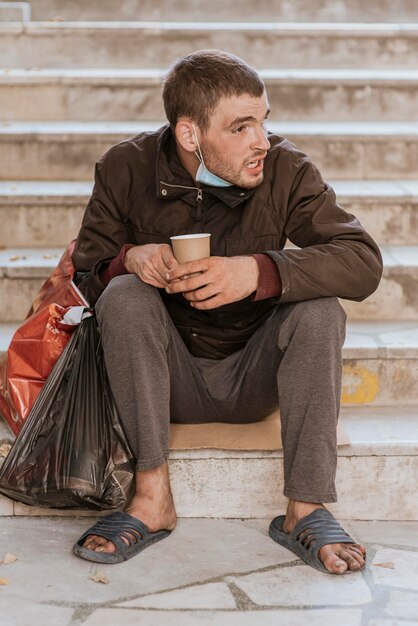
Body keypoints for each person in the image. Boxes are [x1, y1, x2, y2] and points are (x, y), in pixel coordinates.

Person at [71, 49, 382, 574]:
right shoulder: (124, 166)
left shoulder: (286, 169)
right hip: (163, 382)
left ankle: (305, 508)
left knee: (320, 309)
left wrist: (259, 272)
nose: (261, 140)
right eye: (241, 127)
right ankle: (151, 498)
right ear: (191, 135)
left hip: (253, 377)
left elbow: (362, 261)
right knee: (123, 293)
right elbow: (84, 274)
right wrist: (128, 259)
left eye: (263, 122)